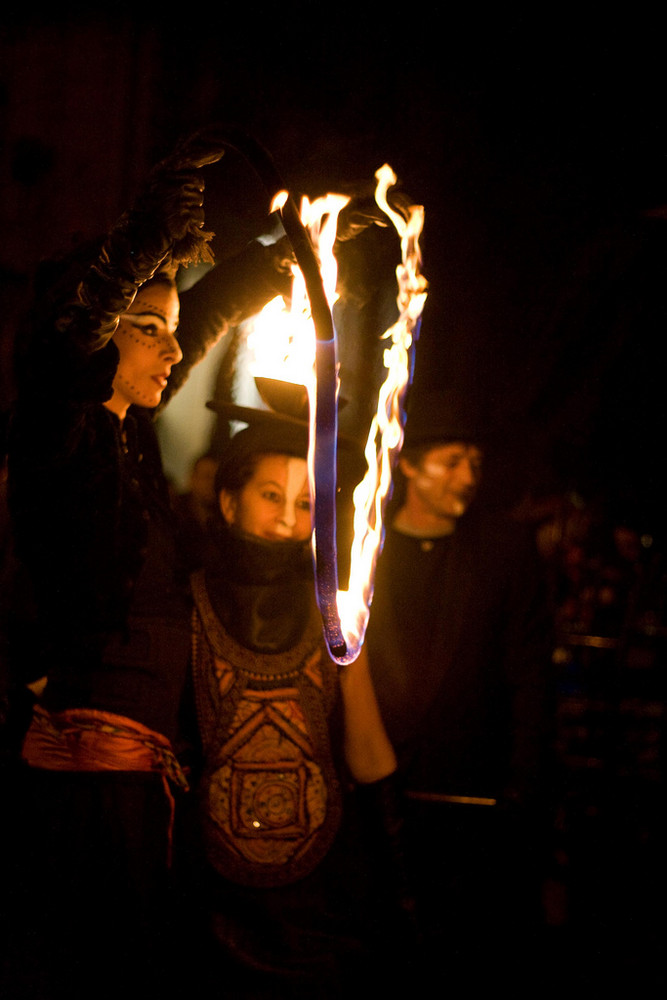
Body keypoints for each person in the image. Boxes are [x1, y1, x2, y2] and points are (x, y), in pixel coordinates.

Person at [1, 128, 295, 999]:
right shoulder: (61, 434)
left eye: (173, 330)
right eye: (150, 331)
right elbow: (66, 353)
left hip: (134, 794)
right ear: (98, 336)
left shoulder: (122, 440)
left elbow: (192, 323)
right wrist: (142, 233)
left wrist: (279, 261)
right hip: (83, 806)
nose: (175, 349)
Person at [176, 399, 402, 999]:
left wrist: (397, 886)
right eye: (270, 495)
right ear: (228, 501)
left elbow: (370, 754)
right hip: (206, 898)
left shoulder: (338, 615)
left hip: (317, 904)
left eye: (305, 504)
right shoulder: (182, 607)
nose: (287, 518)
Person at [365, 385, 553, 988]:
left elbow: (528, 671)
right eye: (452, 461)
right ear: (411, 463)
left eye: (475, 461)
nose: (469, 476)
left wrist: (524, 780)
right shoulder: (366, 553)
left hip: (472, 791)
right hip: (379, 785)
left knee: (465, 953)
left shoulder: (503, 552)